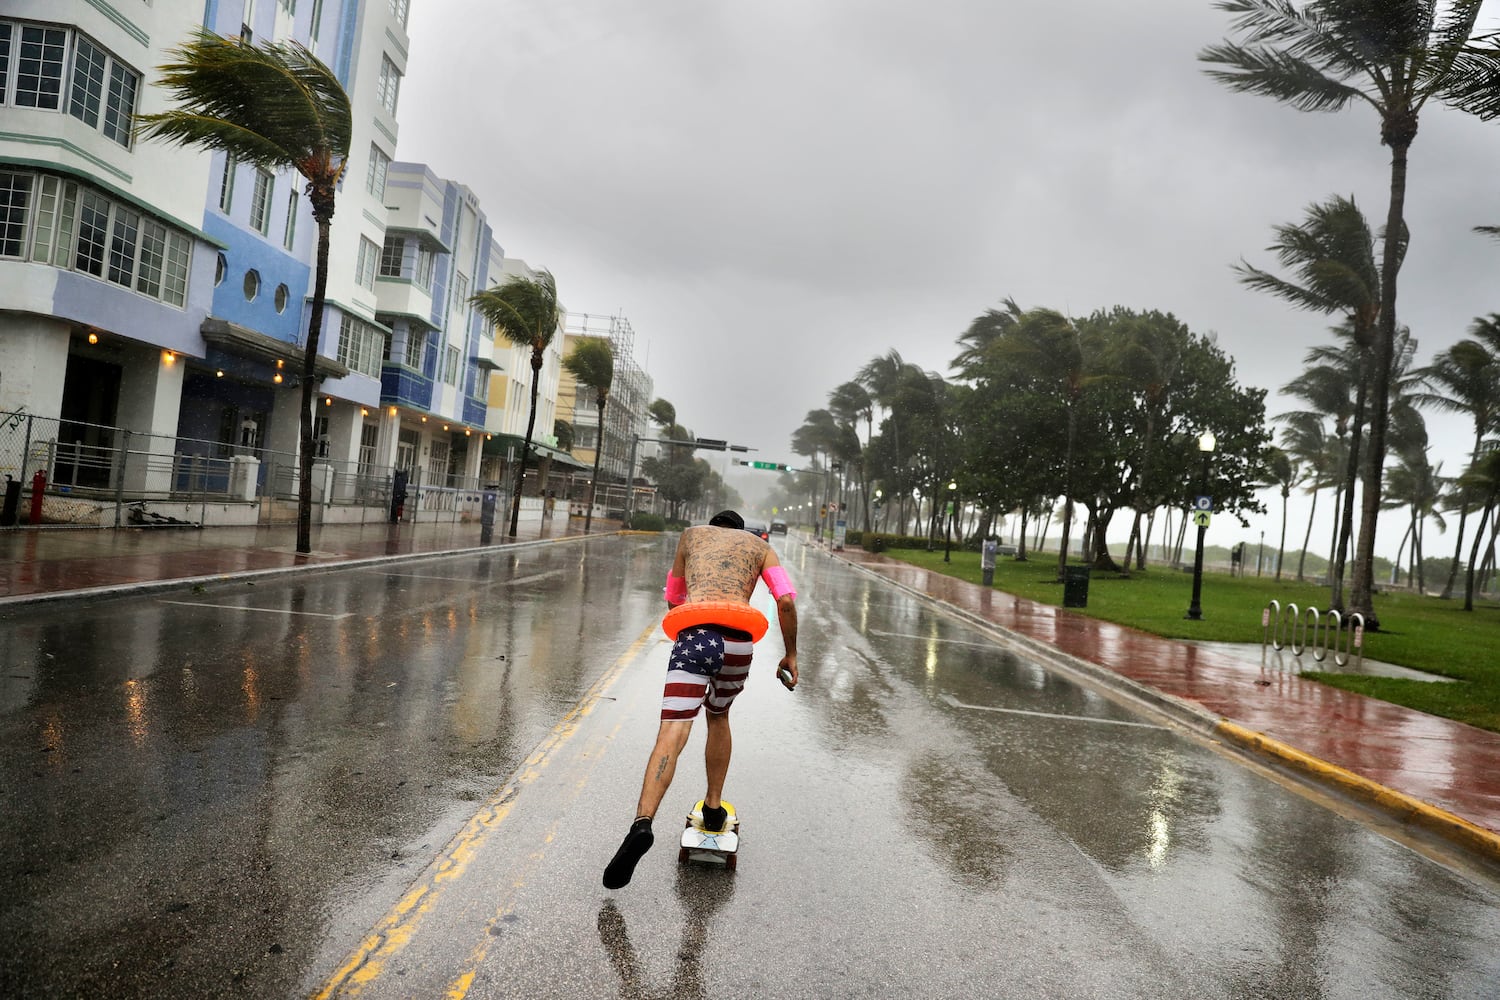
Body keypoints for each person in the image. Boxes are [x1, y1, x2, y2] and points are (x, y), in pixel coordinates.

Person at [603, 509, 798, 890]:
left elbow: (674, 598)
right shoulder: (760, 548)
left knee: (672, 733)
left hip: (695, 638)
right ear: (740, 532)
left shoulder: (691, 536)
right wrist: (790, 655)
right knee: (719, 717)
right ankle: (712, 807)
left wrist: (691, 629)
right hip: (739, 646)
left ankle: (642, 824)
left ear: (712, 527)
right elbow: (786, 602)